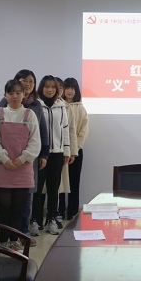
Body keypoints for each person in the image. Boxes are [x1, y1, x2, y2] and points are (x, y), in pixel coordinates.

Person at [0, 69, 49, 246]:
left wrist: (43, 153)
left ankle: (22, 234)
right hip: (4, 162)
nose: (28, 84)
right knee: (6, 204)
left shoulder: (35, 106)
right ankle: (6, 238)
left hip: (27, 161)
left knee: (26, 199)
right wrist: (4, 158)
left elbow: (41, 132)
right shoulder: (2, 107)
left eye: (31, 81)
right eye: (24, 81)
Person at [0, 80, 41, 251]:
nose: (15, 96)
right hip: (2, 167)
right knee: (4, 207)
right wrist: (4, 159)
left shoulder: (29, 115)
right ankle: (3, 240)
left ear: (24, 95)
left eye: (18, 93)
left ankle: (14, 239)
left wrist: (22, 158)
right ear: (5, 95)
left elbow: (35, 142)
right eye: (11, 93)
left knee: (19, 208)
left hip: (23, 168)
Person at [30, 75, 71, 236]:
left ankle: (51, 219)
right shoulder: (36, 105)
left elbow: (65, 129)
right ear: (41, 88)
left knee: (54, 189)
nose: (50, 90)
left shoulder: (61, 106)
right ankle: (35, 220)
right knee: (37, 189)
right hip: (40, 154)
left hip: (57, 153)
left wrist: (66, 150)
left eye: (53, 87)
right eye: (46, 86)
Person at [58, 77, 89, 220]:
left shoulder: (80, 108)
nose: (69, 91)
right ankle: (58, 212)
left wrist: (75, 149)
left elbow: (84, 131)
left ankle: (72, 213)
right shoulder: (59, 106)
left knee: (74, 182)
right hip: (60, 150)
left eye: (72, 88)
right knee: (59, 183)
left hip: (76, 151)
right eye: (67, 88)